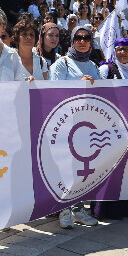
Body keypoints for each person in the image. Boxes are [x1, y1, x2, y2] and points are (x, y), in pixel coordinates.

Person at [48, 24, 100, 228]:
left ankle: (78, 209)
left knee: (80, 168)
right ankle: (63, 209)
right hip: (64, 125)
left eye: (86, 37)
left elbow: (100, 95)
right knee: (64, 167)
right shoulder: (63, 64)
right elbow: (54, 92)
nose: (82, 41)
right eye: (78, 37)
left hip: (86, 126)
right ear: (72, 40)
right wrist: (79, 83)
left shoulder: (94, 67)